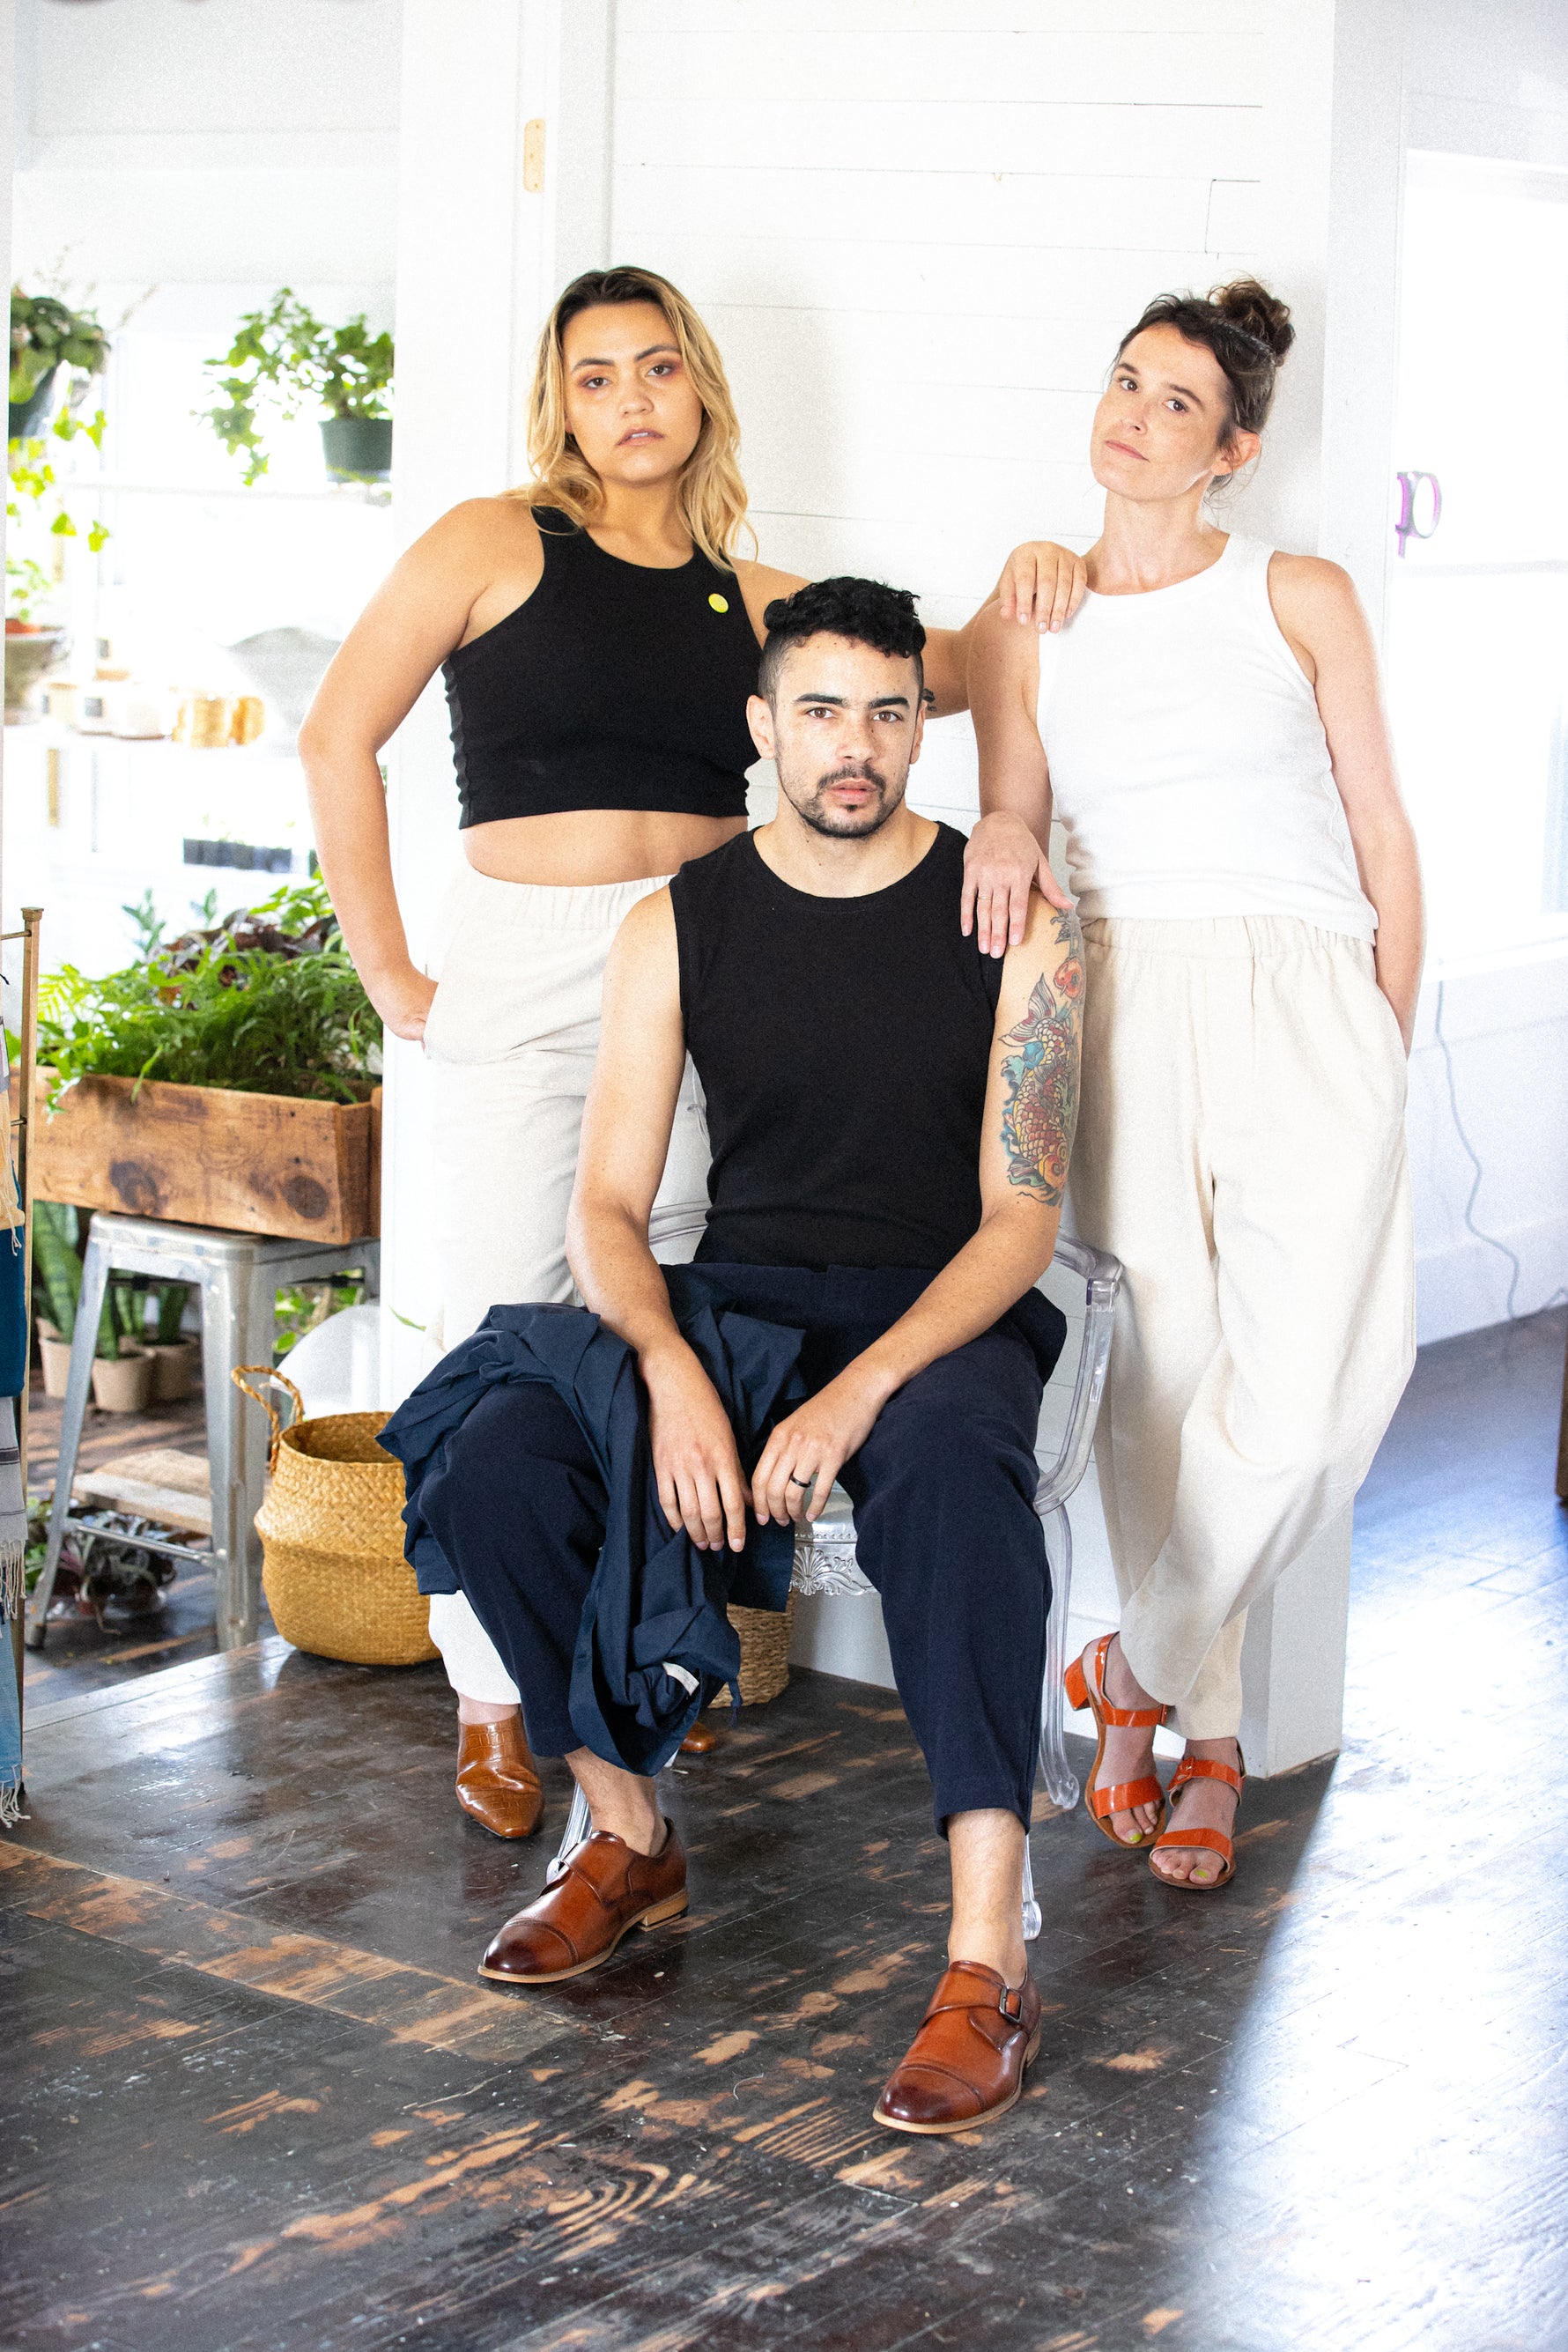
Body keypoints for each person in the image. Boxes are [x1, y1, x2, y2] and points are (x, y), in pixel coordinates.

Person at [300, 266, 1084, 1838]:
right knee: (485, 1329)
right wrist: (389, 965)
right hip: (525, 966)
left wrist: (1010, 793)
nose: (631, 401)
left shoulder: (756, 592)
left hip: (713, 948)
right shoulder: (490, 540)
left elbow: (985, 659)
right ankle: (493, 1699)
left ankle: (643, 1653)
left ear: (703, 389)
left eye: (658, 368)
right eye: (596, 377)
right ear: (560, 400)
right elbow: (336, 735)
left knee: (655, 1332)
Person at [399, 577, 1084, 2135]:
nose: (860, 748)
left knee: (957, 1476)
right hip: (742, 1302)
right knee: (499, 1448)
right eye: (825, 712)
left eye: (894, 712)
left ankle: (986, 1959)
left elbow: (1020, 1218)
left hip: (938, 1308)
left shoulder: (1013, 919)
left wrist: (860, 1388)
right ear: (765, 727)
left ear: (927, 726)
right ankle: (629, 1831)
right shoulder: (677, 922)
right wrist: (670, 1366)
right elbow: (609, 1206)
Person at [965, 279, 1420, 1890]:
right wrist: (1005, 829)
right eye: (1124, 381)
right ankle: (1197, 1739)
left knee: (1308, 1396)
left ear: (1228, 452)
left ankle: (1135, 1667)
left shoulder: (1297, 592)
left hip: (1307, 987)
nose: (1134, 416)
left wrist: (1387, 1038)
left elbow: (1381, 831)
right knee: (1163, 1385)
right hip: (1124, 987)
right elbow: (1006, 796)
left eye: (1175, 404)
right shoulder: (1031, 608)